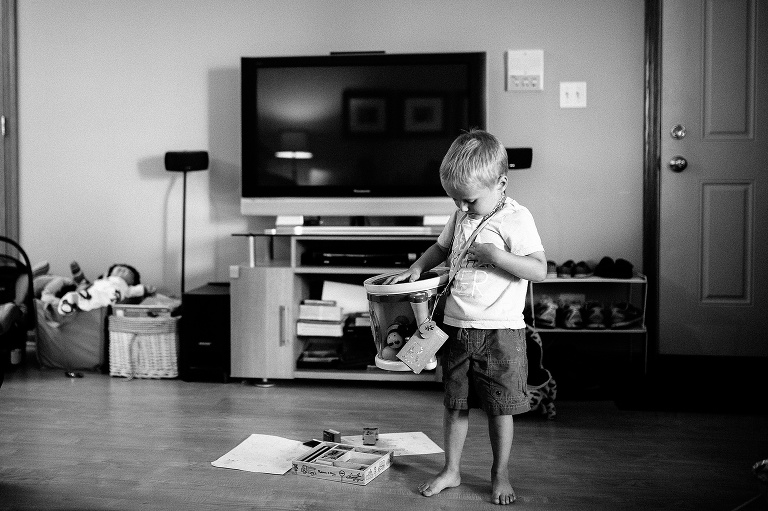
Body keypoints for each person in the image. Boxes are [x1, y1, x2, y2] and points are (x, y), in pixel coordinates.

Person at [384, 129, 547, 505]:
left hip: (500, 332)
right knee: (455, 404)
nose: (461, 207)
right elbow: (440, 248)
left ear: (501, 184)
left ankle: (499, 472)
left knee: (498, 408)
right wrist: (418, 267)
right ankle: (451, 469)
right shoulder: (460, 214)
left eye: (469, 199)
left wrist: (496, 256)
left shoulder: (516, 219)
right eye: (455, 199)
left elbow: (539, 270)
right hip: (457, 328)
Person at [58, 263, 155, 315]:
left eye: (128, 272)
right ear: (110, 273)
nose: (123, 269)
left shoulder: (126, 288)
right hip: (91, 292)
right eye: (119, 268)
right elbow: (94, 284)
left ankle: (81, 287)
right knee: (74, 294)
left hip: (106, 297)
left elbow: (136, 290)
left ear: (131, 282)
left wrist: (146, 289)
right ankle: (65, 306)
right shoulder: (104, 280)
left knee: (97, 295)